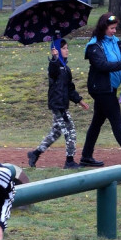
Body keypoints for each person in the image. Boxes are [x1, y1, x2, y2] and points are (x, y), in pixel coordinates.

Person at [79, 13, 121, 169]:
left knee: (97, 122)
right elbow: (102, 65)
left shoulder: (116, 42)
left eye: (115, 28)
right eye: (111, 28)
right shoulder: (93, 46)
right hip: (101, 89)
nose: (114, 31)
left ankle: (86, 156)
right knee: (116, 121)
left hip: (110, 87)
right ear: (103, 28)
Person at [27, 38, 91, 170]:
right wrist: (55, 58)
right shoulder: (54, 65)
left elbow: (70, 89)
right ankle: (69, 161)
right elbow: (53, 71)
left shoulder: (66, 69)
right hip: (58, 105)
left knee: (56, 132)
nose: (67, 50)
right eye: (64, 48)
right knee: (70, 131)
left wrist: (80, 101)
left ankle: (35, 153)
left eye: (67, 48)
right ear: (56, 50)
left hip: (63, 104)